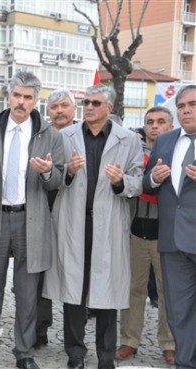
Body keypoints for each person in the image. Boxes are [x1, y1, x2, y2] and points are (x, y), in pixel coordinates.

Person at [44, 84, 143, 369]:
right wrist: (69, 173)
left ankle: (105, 355)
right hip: (73, 221)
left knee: (106, 291)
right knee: (73, 290)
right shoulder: (65, 136)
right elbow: (52, 177)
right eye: (86, 102)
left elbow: (138, 179)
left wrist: (120, 182)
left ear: (109, 108)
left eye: (96, 103)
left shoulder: (128, 140)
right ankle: (75, 353)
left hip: (109, 223)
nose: (89, 107)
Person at [0, 71, 65, 369]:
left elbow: (59, 181)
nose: (21, 102)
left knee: (27, 294)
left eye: (28, 97)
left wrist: (48, 172)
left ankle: (24, 353)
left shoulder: (50, 135)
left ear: (35, 101)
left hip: (31, 221)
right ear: (8, 96)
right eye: (17, 95)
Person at [116, 106, 175, 365]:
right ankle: (129, 340)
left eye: (161, 122)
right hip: (135, 231)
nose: (155, 126)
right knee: (133, 290)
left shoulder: (178, 151)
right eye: (150, 121)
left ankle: (169, 343)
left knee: (168, 292)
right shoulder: (133, 151)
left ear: (170, 126)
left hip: (167, 234)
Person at [143, 84, 196, 369]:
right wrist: (154, 178)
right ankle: (186, 364)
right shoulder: (165, 141)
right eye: (182, 105)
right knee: (178, 311)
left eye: (193, 104)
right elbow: (146, 182)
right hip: (173, 242)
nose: (186, 110)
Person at [32, 88, 77, 349]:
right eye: (54, 107)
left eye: (64, 106)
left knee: (71, 272)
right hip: (43, 211)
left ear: (73, 108)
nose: (59, 111)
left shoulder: (82, 137)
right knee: (39, 275)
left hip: (73, 214)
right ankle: (39, 328)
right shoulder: (43, 136)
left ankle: (74, 337)